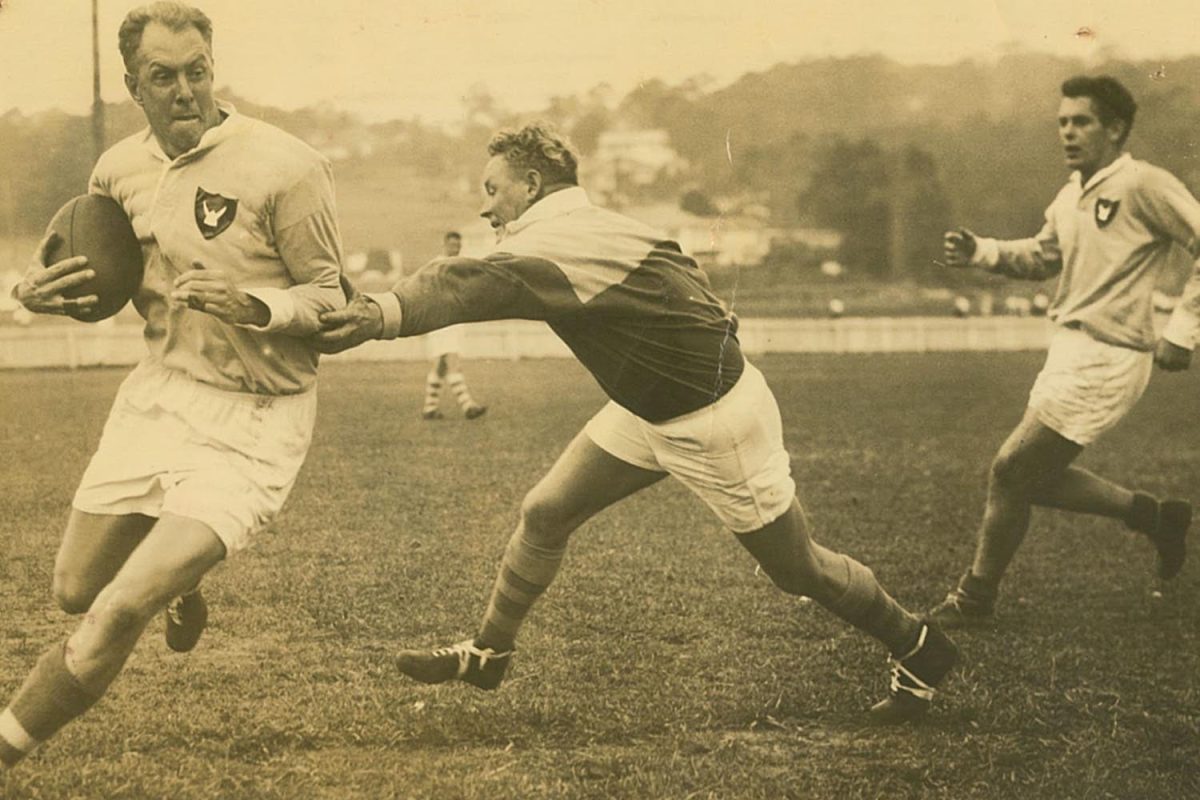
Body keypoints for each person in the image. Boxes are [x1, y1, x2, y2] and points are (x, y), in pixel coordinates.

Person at [316, 122, 959, 723]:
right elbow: (682, 268)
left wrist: (380, 313)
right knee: (545, 513)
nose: (486, 208)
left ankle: (919, 645)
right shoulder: (601, 224)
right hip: (650, 406)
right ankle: (489, 655)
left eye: (493, 190)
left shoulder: (552, 239)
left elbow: (464, 282)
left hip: (713, 424)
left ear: (532, 186)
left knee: (799, 570)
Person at [0, 1, 345, 768]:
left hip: (258, 415)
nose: (185, 90)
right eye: (164, 77)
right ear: (134, 85)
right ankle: (181, 581)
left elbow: (335, 298)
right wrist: (36, 290)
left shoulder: (288, 166)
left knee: (118, 609)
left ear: (213, 71)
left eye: (197, 72)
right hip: (159, 395)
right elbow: (92, 273)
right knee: (74, 588)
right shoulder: (116, 170)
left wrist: (257, 305)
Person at [931, 75, 1200, 628]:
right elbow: (1043, 257)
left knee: (1010, 471)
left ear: (1116, 129)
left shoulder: (1143, 184)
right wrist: (981, 250)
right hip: (1070, 352)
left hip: (1109, 355)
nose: (1068, 133)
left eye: (1082, 122)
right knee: (1028, 476)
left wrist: (1184, 327)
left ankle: (975, 599)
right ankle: (1154, 516)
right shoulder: (1071, 193)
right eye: (1062, 122)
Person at [419, 231, 487, 420]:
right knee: (452, 362)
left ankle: (429, 408)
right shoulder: (437, 266)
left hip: (453, 320)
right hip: (441, 320)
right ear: (445, 245)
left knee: (441, 366)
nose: (455, 248)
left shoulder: (461, 265)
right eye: (452, 245)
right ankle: (468, 406)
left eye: (458, 246)